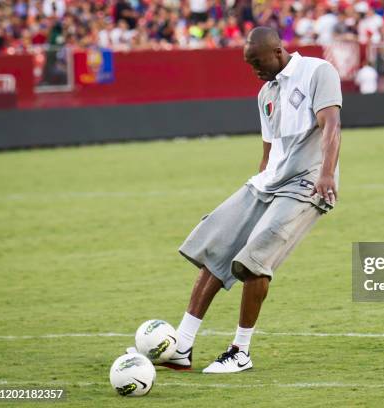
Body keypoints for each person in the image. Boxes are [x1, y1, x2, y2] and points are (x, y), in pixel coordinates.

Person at [127, 26, 342, 374]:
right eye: (249, 64)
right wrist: (255, 189)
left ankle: (240, 351)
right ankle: (182, 346)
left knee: (254, 258)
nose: (254, 70)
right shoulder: (265, 94)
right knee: (218, 247)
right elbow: (269, 151)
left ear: (277, 51)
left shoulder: (318, 71)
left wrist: (327, 174)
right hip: (268, 182)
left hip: (307, 181)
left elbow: (331, 125)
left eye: (258, 62)